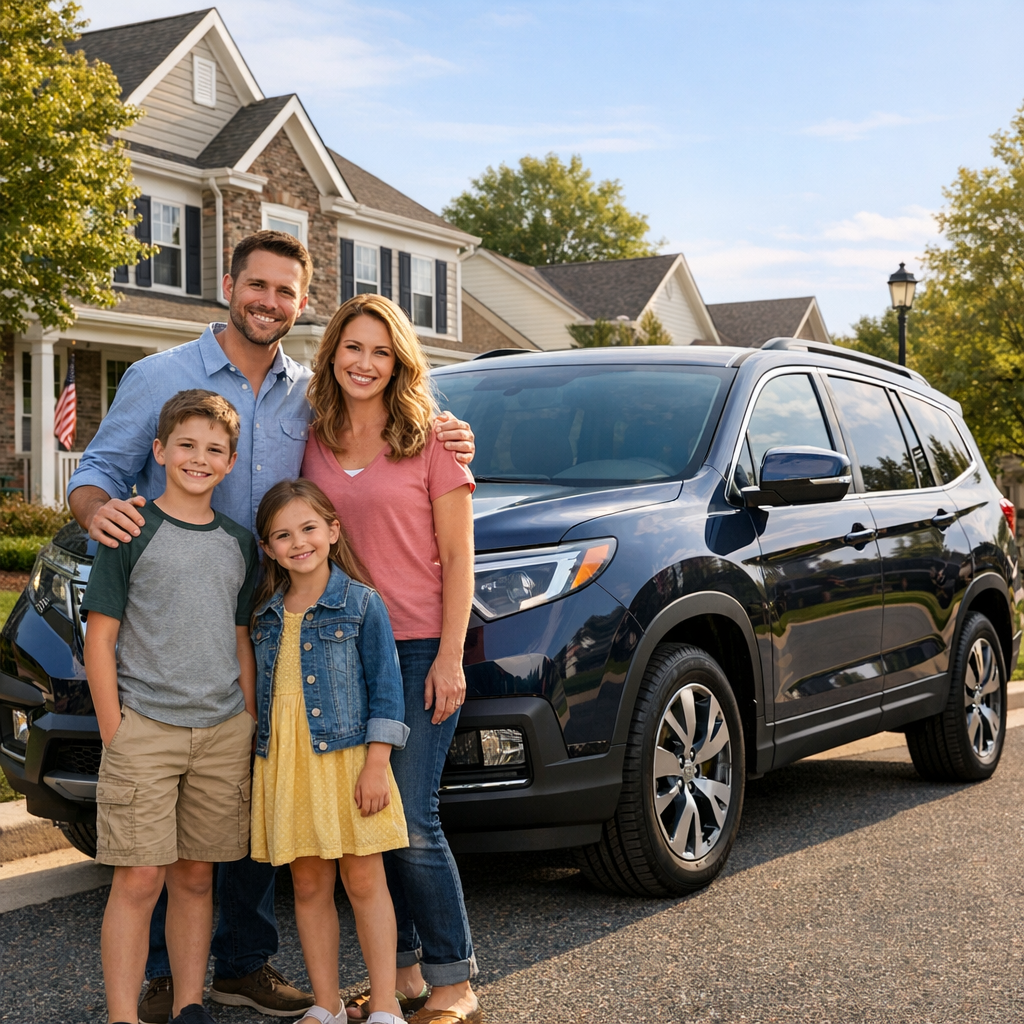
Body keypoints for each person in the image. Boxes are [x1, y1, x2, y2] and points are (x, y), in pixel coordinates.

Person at [67, 230, 475, 1023]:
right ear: (229, 283)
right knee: (195, 815)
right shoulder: (161, 376)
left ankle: (248, 962)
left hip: (309, 626)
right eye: (258, 286)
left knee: (268, 794)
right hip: (196, 624)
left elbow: (410, 462)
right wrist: (102, 516)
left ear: (301, 302)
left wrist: (453, 435)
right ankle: (163, 977)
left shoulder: (309, 399)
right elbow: (97, 473)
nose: (270, 302)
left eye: (287, 292)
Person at [301, 293, 481, 1023]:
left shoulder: (432, 439)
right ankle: (399, 973)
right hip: (337, 648)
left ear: (399, 360)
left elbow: (458, 554)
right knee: (364, 819)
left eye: (380, 351)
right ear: (332, 355)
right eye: (352, 349)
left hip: (413, 648)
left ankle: (453, 981)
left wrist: (449, 657)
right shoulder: (313, 438)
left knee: (411, 816)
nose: (364, 363)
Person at [82, 391, 260, 1024]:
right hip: (144, 731)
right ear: (158, 451)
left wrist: (246, 716)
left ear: (232, 462)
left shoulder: (239, 543)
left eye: (215, 449)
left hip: (219, 731)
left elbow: (239, 635)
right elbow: (99, 638)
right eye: (185, 444)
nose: (198, 458)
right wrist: (115, 731)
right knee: (138, 880)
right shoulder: (131, 529)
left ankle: (189, 1006)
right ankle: (122, 1015)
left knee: (195, 877)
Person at [251, 478, 410, 1024]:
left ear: (333, 530)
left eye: (309, 528)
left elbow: (387, 690)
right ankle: (327, 1004)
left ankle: (385, 1002)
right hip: (288, 765)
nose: (299, 542)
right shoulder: (265, 617)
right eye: (283, 534)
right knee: (308, 883)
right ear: (268, 548)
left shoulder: (363, 605)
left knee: (364, 880)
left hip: (349, 763)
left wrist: (376, 765)